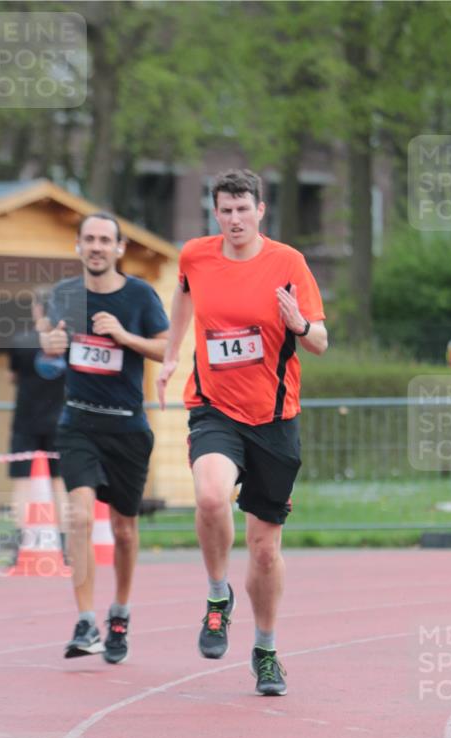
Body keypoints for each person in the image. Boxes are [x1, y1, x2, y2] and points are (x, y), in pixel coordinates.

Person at [157, 169, 328, 696]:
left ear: (260, 210)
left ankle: (266, 650)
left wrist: (299, 324)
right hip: (215, 410)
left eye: (242, 209)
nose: (234, 219)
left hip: (274, 420)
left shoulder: (288, 263)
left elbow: (320, 341)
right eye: (225, 210)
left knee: (264, 550)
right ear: (215, 213)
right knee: (210, 497)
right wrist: (170, 354)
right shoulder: (195, 256)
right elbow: (184, 295)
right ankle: (217, 596)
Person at [39, 212, 169, 663]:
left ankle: (120, 612)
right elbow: (50, 348)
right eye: (89, 239)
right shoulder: (64, 294)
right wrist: (49, 347)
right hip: (77, 424)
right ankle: (85, 620)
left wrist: (124, 336)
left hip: (127, 428)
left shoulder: (140, 295)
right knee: (78, 516)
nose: (96, 247)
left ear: (119, 248)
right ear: (78, 246)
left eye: (104, 240)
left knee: (124, 531)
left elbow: (166, 347)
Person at [5, 292, 67, 555]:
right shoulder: (70, 343)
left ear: (37, 309)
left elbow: (12, 376)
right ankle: (65, 547)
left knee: (21, 483)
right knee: (60, 483)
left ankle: (20, 547)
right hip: (61, 423)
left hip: (26, 422)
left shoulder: (21, 342)